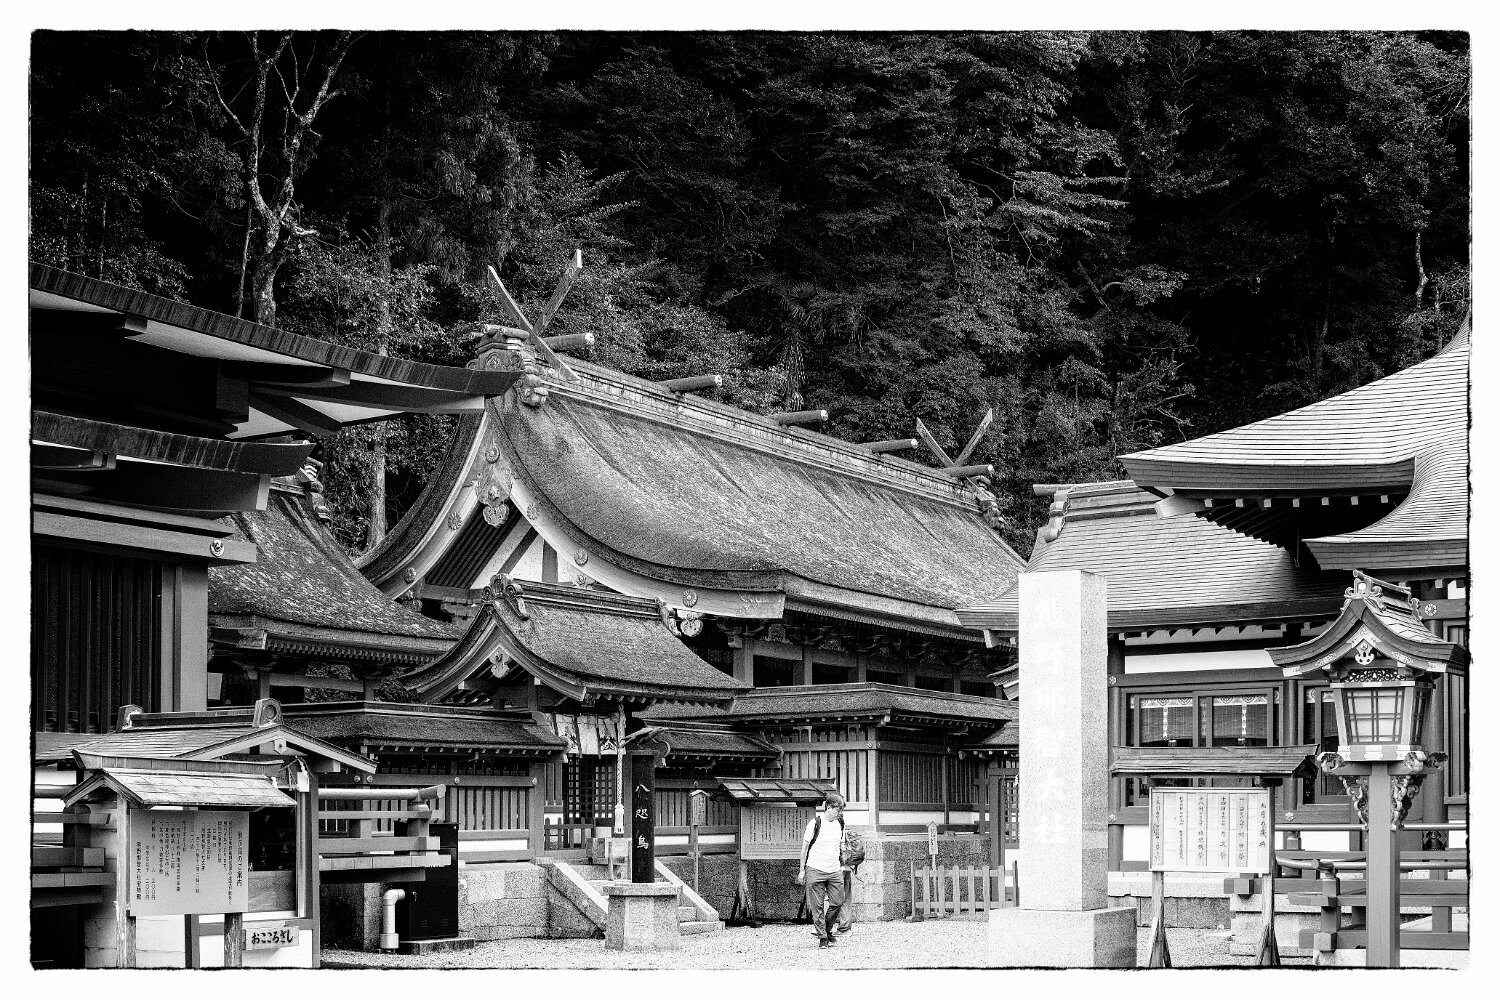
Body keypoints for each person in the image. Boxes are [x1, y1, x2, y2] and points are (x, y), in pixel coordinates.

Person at [795, 792, 847, 948]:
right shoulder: (815, 823)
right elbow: (804, 848)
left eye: (841, 810)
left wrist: (844, 860)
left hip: (834, 869)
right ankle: (823, 937)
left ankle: (826, 930)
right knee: (817, 906)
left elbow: (841, 845)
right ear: (829, 807)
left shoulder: (840, 824)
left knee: (838, 901)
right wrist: (802, 870)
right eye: (838, 809)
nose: (840, 813)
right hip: (815, 868)